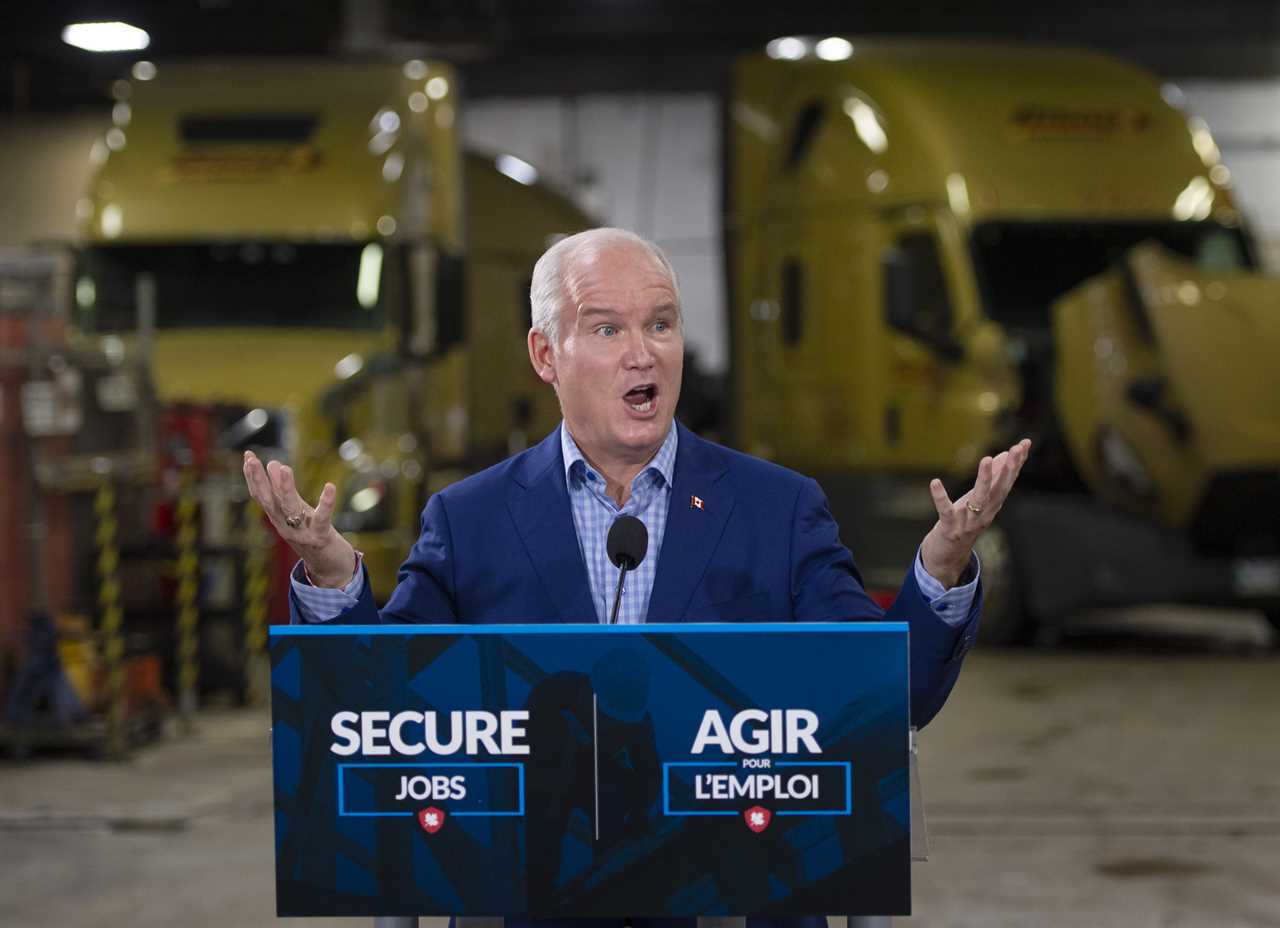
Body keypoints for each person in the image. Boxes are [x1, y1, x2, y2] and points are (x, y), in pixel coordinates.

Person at [244, 226, 1028, 725]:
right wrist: (332, 571)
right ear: (545, 355)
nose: (642, 352)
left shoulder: (778, 509)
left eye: (660, 323)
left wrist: (942, 567)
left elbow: (889, 698)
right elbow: (381, 708)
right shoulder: (468, 519)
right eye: (606, 328)